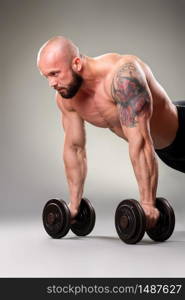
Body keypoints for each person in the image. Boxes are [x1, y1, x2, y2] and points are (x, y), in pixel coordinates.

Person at [37, 36, 184, 229]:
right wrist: (74, 206)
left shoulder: (123, 77)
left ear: (77, 63)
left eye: (55, 74)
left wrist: (148, 204)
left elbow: (140, 142)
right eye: (46, 76)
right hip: (167, 152)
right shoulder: (67, 99)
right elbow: (75, 149)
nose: (51, 83)